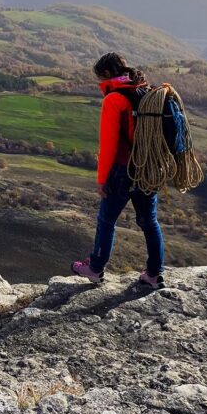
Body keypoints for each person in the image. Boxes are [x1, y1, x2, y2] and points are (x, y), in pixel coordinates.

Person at [71, 52, 165, 288]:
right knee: (149, 222)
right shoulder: (146, 91)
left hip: (123, 171)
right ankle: (154, 274)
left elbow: (109, 145)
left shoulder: (114, 99)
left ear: (106, 74)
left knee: (106, 221)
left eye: (99, 78)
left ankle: (95, 268)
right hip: (148, 168)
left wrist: (102, 179)